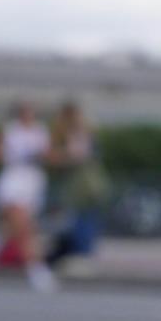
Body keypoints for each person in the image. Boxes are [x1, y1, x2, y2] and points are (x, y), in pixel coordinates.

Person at [0, 102, 56, 291]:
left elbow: (49, 155)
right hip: (13, 181)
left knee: (16, 228)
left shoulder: (41, 132)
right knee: (24, 227)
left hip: (32, 183)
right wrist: (5, 153)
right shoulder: (10, 130)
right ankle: (36, 269)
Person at [45, 101, 110, 271]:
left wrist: (59, 156)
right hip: (80, 185)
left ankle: (83, 255)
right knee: (81, 219)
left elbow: (78, 155)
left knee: (84, 219)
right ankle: (81, 254)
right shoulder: (78, 131)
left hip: (84, 185)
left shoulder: (80, 131)